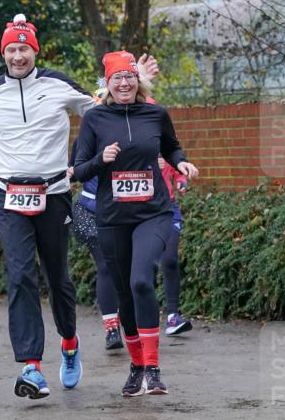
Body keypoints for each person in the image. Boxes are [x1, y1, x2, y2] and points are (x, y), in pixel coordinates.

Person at [0, 16, 157, 401]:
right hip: (9, 195)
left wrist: (130, 81)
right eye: (11, 49)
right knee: (20, 276)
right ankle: (31, 366)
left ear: (35, 51)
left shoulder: (57, 84)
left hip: (54, 193)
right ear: (4, 53)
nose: (17, 56)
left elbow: (101, 107)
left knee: (57, 278)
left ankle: (69, 341)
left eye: (24, 49)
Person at [73, 50, 198, 397]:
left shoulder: (156, 114)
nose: (124, 83)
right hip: (112, 219)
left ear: (137, 81)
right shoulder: (95, 119)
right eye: (117, 78)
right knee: (124, 292)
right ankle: (136, 366)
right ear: (108, 84)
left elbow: (173, 148)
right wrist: (102, 158)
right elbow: (78, 169)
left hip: (153, 213)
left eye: (130, 77)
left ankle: (154, 369)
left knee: (141, 281)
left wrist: (183, 163)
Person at [70, 143, 124, 351]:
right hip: (91, 210)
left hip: (127, 209)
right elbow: (75, 170)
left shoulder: (133, 128)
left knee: (130, 266)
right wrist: (69, 172)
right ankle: (112, 328)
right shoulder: (87, 134)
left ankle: (133, 320)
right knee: (105, 265)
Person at [158, 156, 193, 336]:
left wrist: (181, 181)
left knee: (170, 259)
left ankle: (173, 316)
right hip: (142, 212)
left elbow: (177, 170)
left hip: (169, 209)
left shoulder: (165, 139)